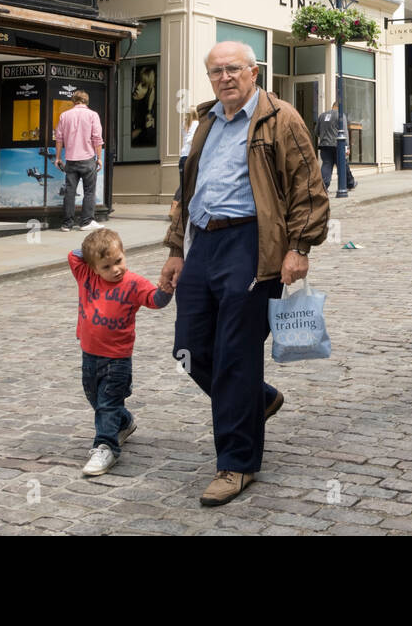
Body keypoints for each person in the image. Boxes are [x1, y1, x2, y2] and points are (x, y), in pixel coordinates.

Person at [159, 41, 330, 507]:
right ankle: (259, 398)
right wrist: (176, 249)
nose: (225, 77)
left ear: (254, 72)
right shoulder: (206, 121)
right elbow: (186, 188)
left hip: (252, 243)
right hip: (202, 241)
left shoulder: (281, 118)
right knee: (189, 349)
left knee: (235, 353)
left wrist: (299, 246)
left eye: (234, 69)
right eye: (216, 71)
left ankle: (236, 464)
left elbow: (307, 186)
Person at [70, 227, 171, 476]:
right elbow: (74, 255)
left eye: (119, 260)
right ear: (93, 268)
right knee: (95, 398)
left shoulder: (134, 283)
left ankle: (106, 446)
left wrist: (166, 290)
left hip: (117, 359)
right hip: (89, 353)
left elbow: (154, 301)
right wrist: (93, 251)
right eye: (106, 266)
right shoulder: (86, 275)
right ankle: (123, 422)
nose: (116, 269)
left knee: (107, 404)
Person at [55, 90, 104, 232]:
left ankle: (67, 224)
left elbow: (59, 139)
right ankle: (86, 222)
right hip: (88, 159)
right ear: (86, 101)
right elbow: (97, 139)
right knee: (89, 191)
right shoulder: (93, 115)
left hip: (70, 160)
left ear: (73, 101)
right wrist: (99, 158)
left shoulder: (64, 116)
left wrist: (58, 158)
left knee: (69, 192)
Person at [315, 101, 355, 194]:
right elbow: (344, 132)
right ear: (340, 107)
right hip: (337, 145)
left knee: (326, 165)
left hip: (324, 145)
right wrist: (347, 147)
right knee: (342, 165)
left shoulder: (322, 115)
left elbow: (316, 132)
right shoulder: (341, 116)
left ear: (333, 106)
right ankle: (349, 183)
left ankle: (323, 187)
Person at [170, 108, 202, 224]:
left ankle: (174, 209)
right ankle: (179, 210)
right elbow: (191, 139)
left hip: (182, 156)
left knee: (183, 184)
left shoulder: (184, 124)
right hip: (190, 157)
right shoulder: (196, 123)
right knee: (190, 184)